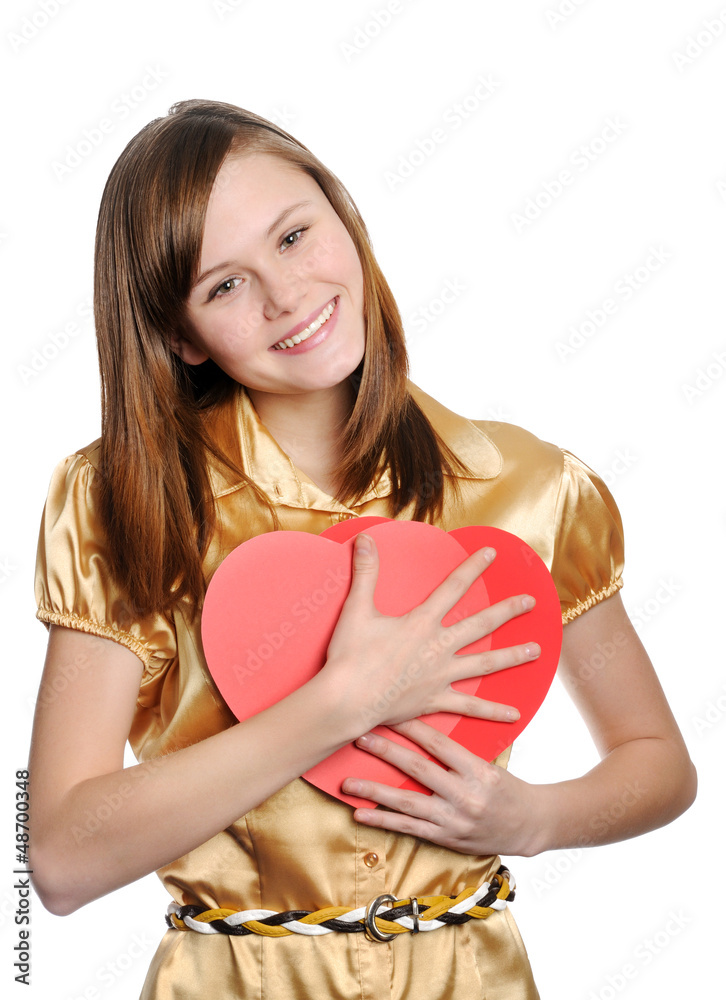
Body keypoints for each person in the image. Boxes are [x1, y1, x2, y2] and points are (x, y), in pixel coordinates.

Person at [28, 99, 696, 1000]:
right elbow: (61, 858)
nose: (286, 294)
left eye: (294, 236)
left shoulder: (532, 487)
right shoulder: (122, 501)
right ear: (180, 336)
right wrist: (343, 701)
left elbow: (658, 762)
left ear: (344, 215)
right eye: (224, 286)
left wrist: (534, 819)